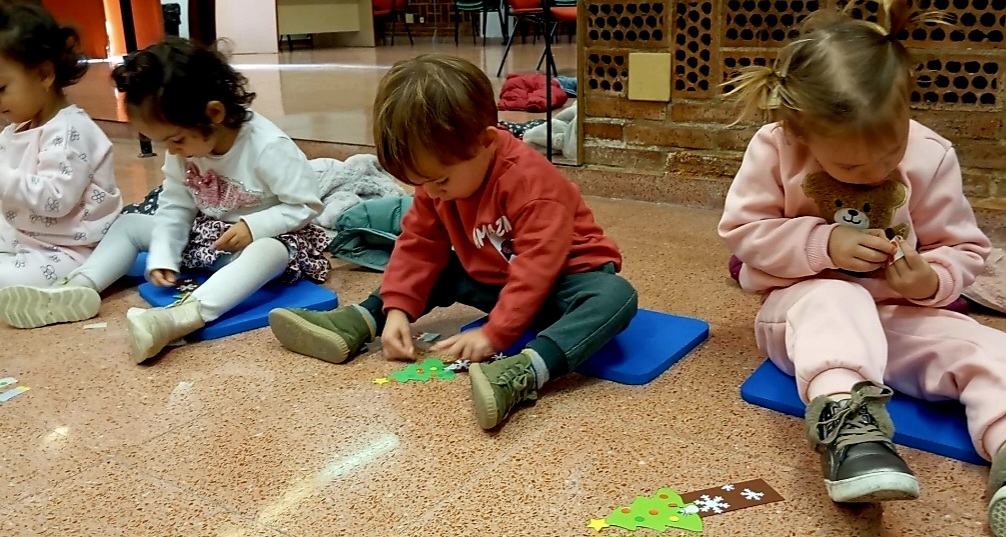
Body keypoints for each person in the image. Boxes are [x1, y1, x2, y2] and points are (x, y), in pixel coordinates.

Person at [718, 1, 1006, 533]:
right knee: (838, 298)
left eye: (891, 151)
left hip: (898, 315)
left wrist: (932, 278)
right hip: (803, 313)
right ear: (798, 131)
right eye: (850, 165)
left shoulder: (932, 154)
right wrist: (825, 243)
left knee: (987, 348)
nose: (874, 171)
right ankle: (852, 430)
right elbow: (743, 233)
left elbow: (965, 248)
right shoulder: (776, 147)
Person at [268, 54, 638, 430]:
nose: (432, 193)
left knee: (616, 297)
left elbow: (537, 269)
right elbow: (418, 242)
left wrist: (496, 333)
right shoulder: (440, 182)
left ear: (486, 142)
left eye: (440, 181)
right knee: (439, 265)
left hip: (565, 284)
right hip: (500, 278)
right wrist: (397, 308)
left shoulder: (534, 186)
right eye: (421, 183)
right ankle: (359, 320)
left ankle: (526, 371)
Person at [0, 38, 329, 365]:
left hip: (272, 241)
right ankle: (79, 286)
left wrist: (254, 226)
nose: (172, 151)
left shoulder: (268, 147)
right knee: (129, 223)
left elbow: (306, 205)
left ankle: (180, 318)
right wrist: (163, 256)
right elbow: (175, 206)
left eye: (175, 140)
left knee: (267, 250)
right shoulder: (184, 147)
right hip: (211, 235)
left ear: (213, 113)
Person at [0, 2, 121, 287]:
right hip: (24, 236)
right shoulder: (18, 126)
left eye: (1, 89)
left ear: (44, 74)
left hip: (71, 251)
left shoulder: (70, 131)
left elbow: (55, 200)